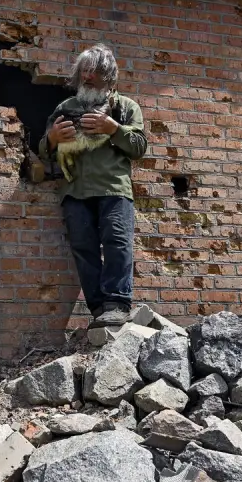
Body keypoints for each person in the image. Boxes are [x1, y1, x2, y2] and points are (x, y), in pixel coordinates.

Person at [37, 43, 148, 328]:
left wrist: (113, 129)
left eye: (95, 72)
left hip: (114, 189)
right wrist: (51, 138)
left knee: (117, 243)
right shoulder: (66, 107)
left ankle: (118, 304)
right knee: (83, 247)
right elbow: (43, 151)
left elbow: (139, 147)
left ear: (110, 77)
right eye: (83, 71)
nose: (87, 77)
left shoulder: (125, 108)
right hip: (75, 191)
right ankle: (99, 309)